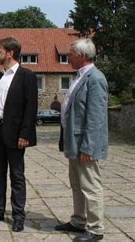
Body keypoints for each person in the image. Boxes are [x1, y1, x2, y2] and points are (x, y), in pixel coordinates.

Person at [0, 36, 37, 232]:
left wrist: (25, 134)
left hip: (15, 133)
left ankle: (18, 216)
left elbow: (31, 109)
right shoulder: (0, 76)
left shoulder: (27, 76)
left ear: (10, 53)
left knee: (17, 175)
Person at [55, 38, 108, 242]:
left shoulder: (95, 79)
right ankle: (78, 220)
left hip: (85, 145)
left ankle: (95, 229)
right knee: (77, 185)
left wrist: (89, 147)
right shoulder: (80, 76)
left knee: (91, 186)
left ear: (82, 56)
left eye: (71, 53)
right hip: (74, 142)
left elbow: (96, 117)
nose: (68, 56)